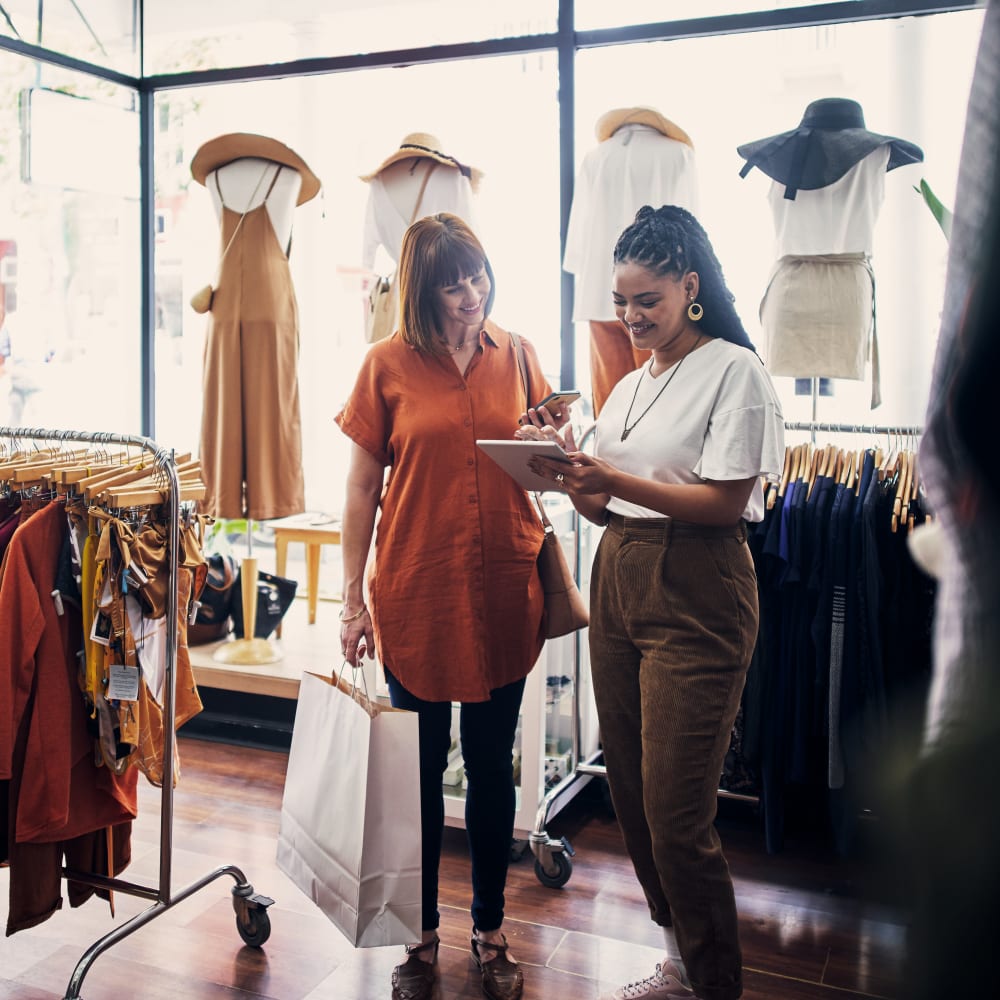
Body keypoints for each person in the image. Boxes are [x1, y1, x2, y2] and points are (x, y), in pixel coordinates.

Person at [525, 205, 784, 1000]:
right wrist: (567, 466)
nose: (632, 318)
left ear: (690, 287)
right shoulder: (633, 384)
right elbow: (605, 508)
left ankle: (714, 985)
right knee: (631, 794)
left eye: (649, 301)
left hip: (699, 585)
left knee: (677, 811)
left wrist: (615, 482)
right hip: (620, 575)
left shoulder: (734, 370)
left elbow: (725, 501)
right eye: (623, 302)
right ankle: (678, 960)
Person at [335, 212, 572, 1000]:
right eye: (451, 282)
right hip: (417, 590)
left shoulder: (522, 354)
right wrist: (350, 603)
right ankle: (421, 935)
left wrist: (553, 441)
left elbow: (549, 470)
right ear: (421, 288)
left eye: (477, 274)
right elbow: (362, 490)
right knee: (421, 773)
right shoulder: (385, 365)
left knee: (494, 764)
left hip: (506, 584)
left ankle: (491, 929)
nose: (470, 294)